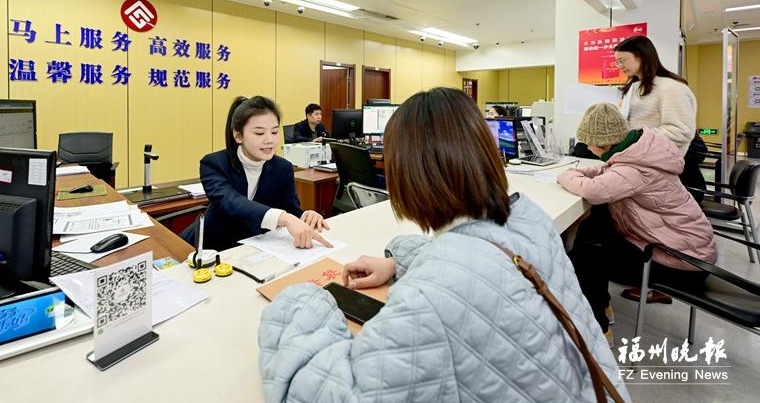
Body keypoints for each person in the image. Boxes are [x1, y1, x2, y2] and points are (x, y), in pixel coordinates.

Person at [258, 88, 628, 403]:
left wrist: (301, 299)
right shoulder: (528, 222)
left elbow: (333, 391)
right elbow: (481, 258)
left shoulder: (431, 296)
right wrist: (399, 262)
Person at [558, 103, 717, 337]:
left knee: (587, 255)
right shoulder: (639, 152)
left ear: (604, 143)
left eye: (588, 143)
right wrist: (582, 172)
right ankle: (600, 305)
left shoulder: (634, 169)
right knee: (596, 226)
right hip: (686, 248)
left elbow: (594, 190)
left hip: (684, 263)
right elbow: (606, 172)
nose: (588, 148)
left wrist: (565, 174)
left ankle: (596, 329)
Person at [196, 96, 331, 252]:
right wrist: (284, 218)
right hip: (215, 248)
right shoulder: (214, 163)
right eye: (259, 133)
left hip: (259, 248)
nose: (270, 140)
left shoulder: (283, 167)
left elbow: (291, 210)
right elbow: (231, 202)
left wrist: (305, 216)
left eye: (274, 132)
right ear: (238, 135)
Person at [614, 35, 706, 201]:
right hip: (643, 165)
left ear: (640, 56)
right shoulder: (634, 88)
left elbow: (681, 132)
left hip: (668, 174)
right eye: (617, 62)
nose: (619, 66)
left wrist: (635, 137)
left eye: (623, 60)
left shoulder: (671, 88)